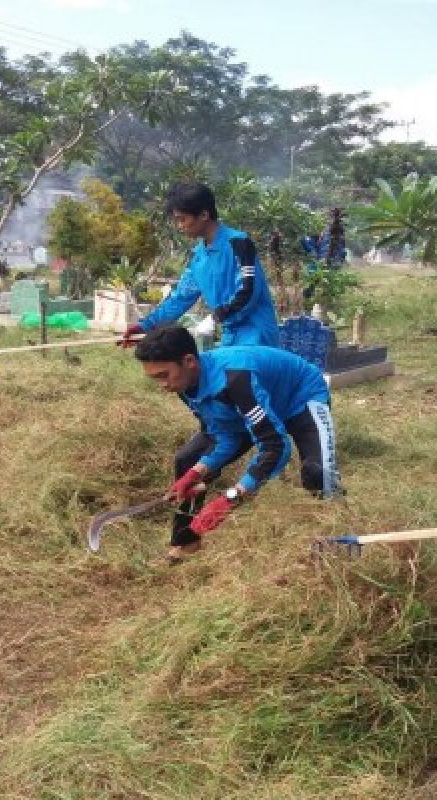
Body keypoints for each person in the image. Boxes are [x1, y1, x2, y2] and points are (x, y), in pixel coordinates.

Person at [134, 324, 341, 561]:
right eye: (154, 379)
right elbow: (225, 435)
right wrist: (196, 472)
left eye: (163, 375)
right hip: (251, 405)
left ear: (189, 361)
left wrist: (231, 498)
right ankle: (187, 541)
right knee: (188, 458)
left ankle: (331, 540)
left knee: (318, 474)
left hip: (299, 397)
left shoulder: (236, 378)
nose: (162, 386)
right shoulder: (183, 384)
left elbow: (275, 446)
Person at [122, 183, 279, 348]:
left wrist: (215, 318)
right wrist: (144, 326)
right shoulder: (198, 256)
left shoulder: (238, 243)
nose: (180, 226)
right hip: (230, 337)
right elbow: (180, 298)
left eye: (182, 219)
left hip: (256, 336)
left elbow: (248, 292)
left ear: (204, 214)